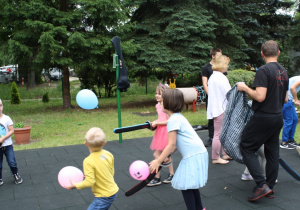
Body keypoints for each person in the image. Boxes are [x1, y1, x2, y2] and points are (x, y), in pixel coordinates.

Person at [237, 40, 288, 201]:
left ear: (262, 53)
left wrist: (245, 88)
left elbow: (260, 96)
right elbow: (286, 99)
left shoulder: (264, 70)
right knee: (272, 152)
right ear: (278, 53)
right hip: (278, 117)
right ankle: (269, 187)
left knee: (246, 147)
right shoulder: (284, 71)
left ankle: (261, 185)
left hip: (263, 117)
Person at [149, 89, 208, 210]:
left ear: (168, 103)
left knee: (185, 185)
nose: (160, 103)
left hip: (193, 155)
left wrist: (158, 161)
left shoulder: (173, 120)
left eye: (162, 101)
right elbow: (176, 144)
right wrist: (168, 155)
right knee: (191, 185)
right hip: (198, 152)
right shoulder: (178, 117)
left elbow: (170, 144)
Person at [66, 127, 119, 210]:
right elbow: (111, 172)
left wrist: (75, 185)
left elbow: (90, 182)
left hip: (104, 196)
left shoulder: (88, 161)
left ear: (85, 143)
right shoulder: (108, 154)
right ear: (105, 143)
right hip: (112, 191)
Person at [147, 84, 174, 186]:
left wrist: (157, 123)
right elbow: (160, 119)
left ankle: (158, 177)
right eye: (156, 93)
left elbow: (169, 121)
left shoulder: (166, 106)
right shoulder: (157, 105)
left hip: (167, 132)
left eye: (159, 94)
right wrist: (154, 123)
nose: (157, 95)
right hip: (160, 132)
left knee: (160, 155)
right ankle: (169, 175)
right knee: (164, 156)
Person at [207, 55, 232, 164]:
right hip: (221, 109)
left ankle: (225, 154)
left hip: (217, 108)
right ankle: (216, 157)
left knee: (222, 133)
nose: (227, 66)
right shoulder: (221, 77)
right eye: (226, 64)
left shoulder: (213, 76)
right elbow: (228, 93)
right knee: (218, 134)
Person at [201, 48, 222, 147]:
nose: (220, 57)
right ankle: (211, 138)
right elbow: (205, 83)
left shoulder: (220, 67)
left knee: (221, 117)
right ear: (213, 56)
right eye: (218, 55)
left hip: (220, 97)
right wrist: (211, 95)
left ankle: (221, 137)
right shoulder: (206, 68)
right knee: (212, 117)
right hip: (211, 97)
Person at [0, 99, 23, 186]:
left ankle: (15, 174)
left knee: (11, 162)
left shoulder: (6, 118)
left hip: (7, 146)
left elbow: (11, 130)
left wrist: (3, 138)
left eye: (0, 105)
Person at [280, 76, 300, 149]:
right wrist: (296, 99)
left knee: (295, 119)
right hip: (287, 101)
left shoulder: (297, 78)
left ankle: (290, 139)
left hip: (289, 101)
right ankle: (284, 142)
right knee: (289, 121)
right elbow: (292, 88)